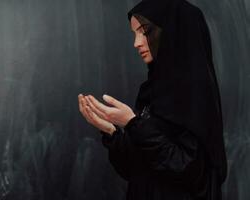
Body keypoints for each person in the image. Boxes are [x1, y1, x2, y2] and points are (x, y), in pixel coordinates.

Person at [78, 0, 227, 199]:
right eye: (134, 34)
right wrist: (112, 132)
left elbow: (191, 171)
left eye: (145, 32)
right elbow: (136, 170)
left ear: (173, 33)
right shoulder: (152, 89)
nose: (136, 43)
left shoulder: (194, 92)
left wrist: (133, 123)